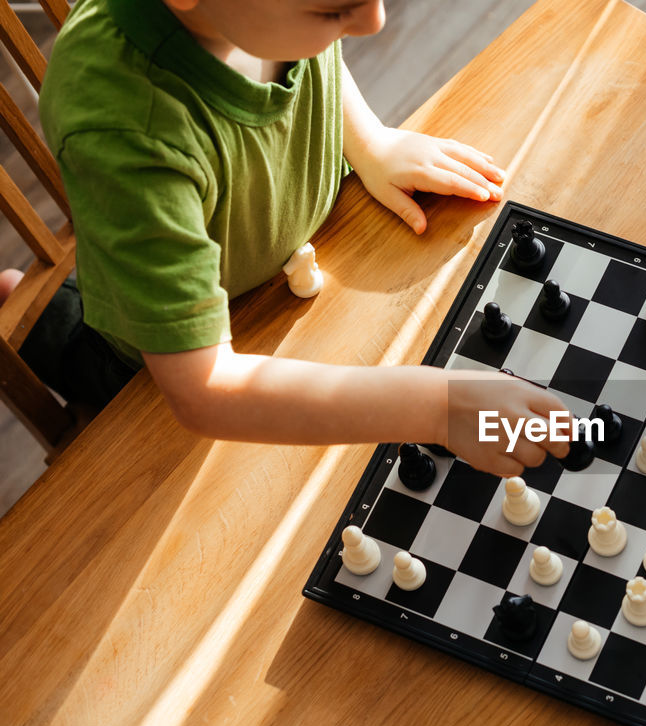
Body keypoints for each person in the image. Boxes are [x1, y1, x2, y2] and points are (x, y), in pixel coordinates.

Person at [2, 0, 565, 475]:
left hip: (293, 248)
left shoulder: (249, 11)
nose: (374, 23)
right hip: (155, 356)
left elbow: (310, 54)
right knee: (71, 339)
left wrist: (369, 142)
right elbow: (203, 390)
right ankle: (27, 310)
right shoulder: (123, 124)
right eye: (332, 10)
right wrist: (438, 407)